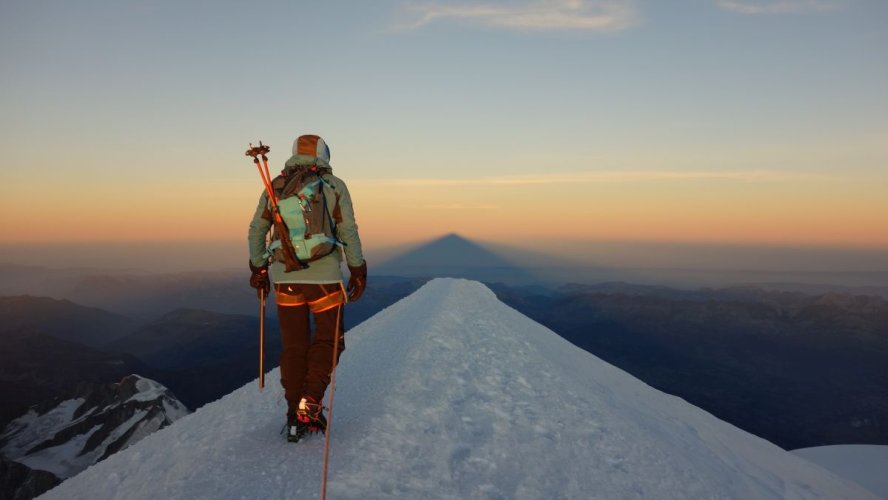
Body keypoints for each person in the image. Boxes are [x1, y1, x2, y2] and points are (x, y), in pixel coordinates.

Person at [247, 134, 366, 442]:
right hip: (324, 277)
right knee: (328, 339)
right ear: (324, 154)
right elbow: (347, 229)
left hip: (285, 277)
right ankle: (310, 403)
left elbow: (257, 229)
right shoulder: (334, 185)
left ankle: (292, 417)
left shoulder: (276, 185)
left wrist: (259, 266)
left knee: (294, 347)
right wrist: (357, 267)